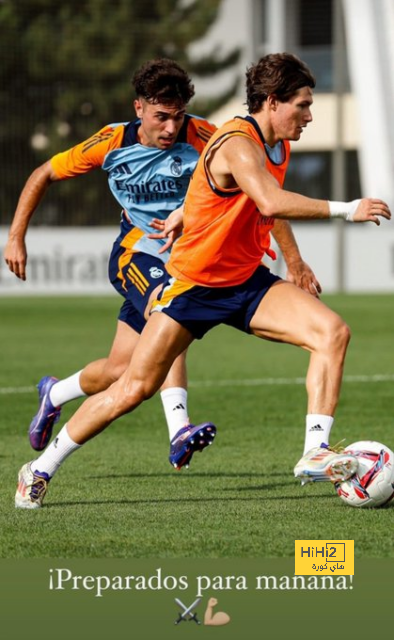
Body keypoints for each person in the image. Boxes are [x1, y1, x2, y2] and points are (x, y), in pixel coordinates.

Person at [16, 52, 389, 509]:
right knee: (132, 388)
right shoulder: (235, 140)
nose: (309, 115)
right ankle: (38, 469)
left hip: (245, 282)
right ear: (272, 102)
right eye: (303, 105)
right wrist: (347, 208)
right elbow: (270, 201)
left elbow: (229, 193)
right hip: (192, 287)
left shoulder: (275, 142)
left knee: (333, 333)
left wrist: (189, 215)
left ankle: (314, 450)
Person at [5, 58, 219, 470]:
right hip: (136, 254)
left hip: (185, 258)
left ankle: (55, 393)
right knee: (170, 310)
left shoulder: (204, 135)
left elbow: (253, 184)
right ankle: (179, 429)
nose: (171, 129)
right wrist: (16, 237)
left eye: (177, 117)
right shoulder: (111, 142)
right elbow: (41, 173)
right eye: (161, 118)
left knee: (120, 370)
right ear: (138, 108)